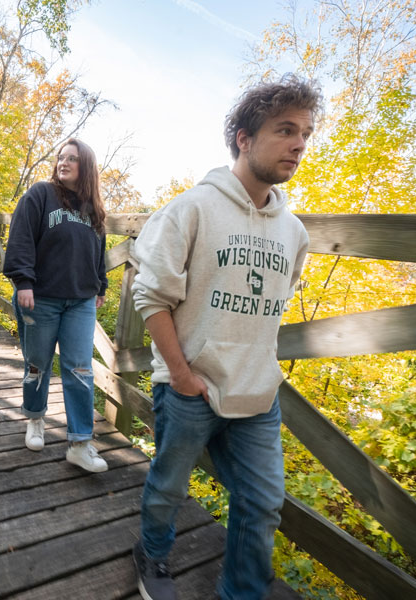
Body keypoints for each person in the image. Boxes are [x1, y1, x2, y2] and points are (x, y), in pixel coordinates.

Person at [130, 74, 323, 599]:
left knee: (263, 502)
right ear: (243, 137)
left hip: (258, 393)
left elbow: (272, 307)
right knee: (168, 487)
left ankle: (240, 591)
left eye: (305, 132)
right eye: (285, 130)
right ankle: (152, 553)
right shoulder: (192, 209)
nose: (299, 143)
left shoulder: (295, 232)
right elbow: (151, 297)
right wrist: (181, 374)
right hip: (191, 386)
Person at [3, 138, 109, 473]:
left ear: (86, 166)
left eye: (72, 158)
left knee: (80, 368)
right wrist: (23, 281)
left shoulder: (92, 208)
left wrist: (101, 285)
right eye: (60, 157)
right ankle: (35, 419)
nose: (63, 162)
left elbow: (99, 250)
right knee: (37, 364)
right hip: (41, 298)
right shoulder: (40, 194)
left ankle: (80, 442)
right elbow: (20, 236)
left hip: (80, 302)